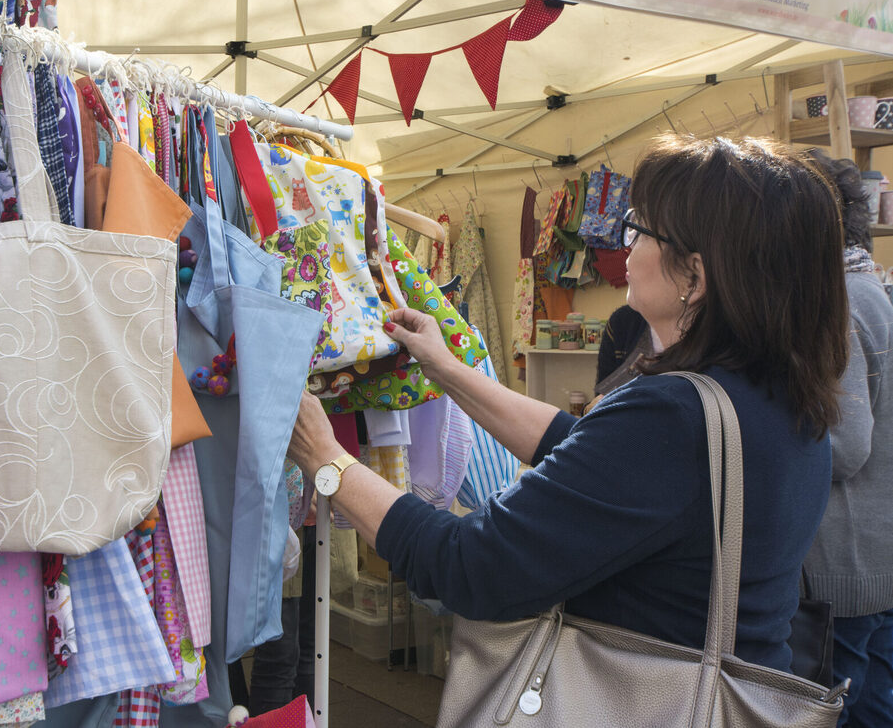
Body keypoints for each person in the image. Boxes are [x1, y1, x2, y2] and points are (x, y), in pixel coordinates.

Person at [287, 135, 850, 672]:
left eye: (642, 231)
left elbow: (473, 566)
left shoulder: (673, 419)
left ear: (695, 276)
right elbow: (586, 451)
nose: (628, 246)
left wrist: (327, 459)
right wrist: (448, 370)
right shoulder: (779, 396)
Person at [804, 149, 893, 726]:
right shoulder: (870, 284)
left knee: (847, 710)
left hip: (848, 568)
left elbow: (846, 446)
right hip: (874, 560)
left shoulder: (832, 302)